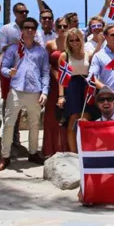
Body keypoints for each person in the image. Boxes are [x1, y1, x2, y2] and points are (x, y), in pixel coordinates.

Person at [0, 17, 49, 171]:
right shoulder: (13, 49)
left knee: (34, 123)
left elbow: (45, 72)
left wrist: (44, 91)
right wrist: (8, 72)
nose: (29, 30)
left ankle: (33, 152)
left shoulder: (41, 51)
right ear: (22, 30)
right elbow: (3, 68)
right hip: (16, 90)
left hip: (35, 90)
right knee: (9, 123)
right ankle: (5, 156)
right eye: (26, 27)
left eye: (32, 27)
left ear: (35, 30)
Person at [58, 28, 95, 153]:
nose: (74, 42)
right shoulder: (64, 55)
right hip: (72, 87)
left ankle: (86, 152)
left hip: (86, 86)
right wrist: (61, 96)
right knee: (73, 120)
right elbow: (61, 78)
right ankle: (74, 153)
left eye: (77, 39)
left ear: (81, 39)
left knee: (86, 119)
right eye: (71, 40)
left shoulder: (88, 54)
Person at [42, 17, 69, 156]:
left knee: (66, 115)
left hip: (69, 82)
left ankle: (66, 148)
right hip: (53, 82)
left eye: (65, 26)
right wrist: (55, 73)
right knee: (52, 116)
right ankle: (50, 149)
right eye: (59, 26)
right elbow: (45, 64)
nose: (62, 29)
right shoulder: (49, 44)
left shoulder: (72, 43)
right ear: (55, 27)